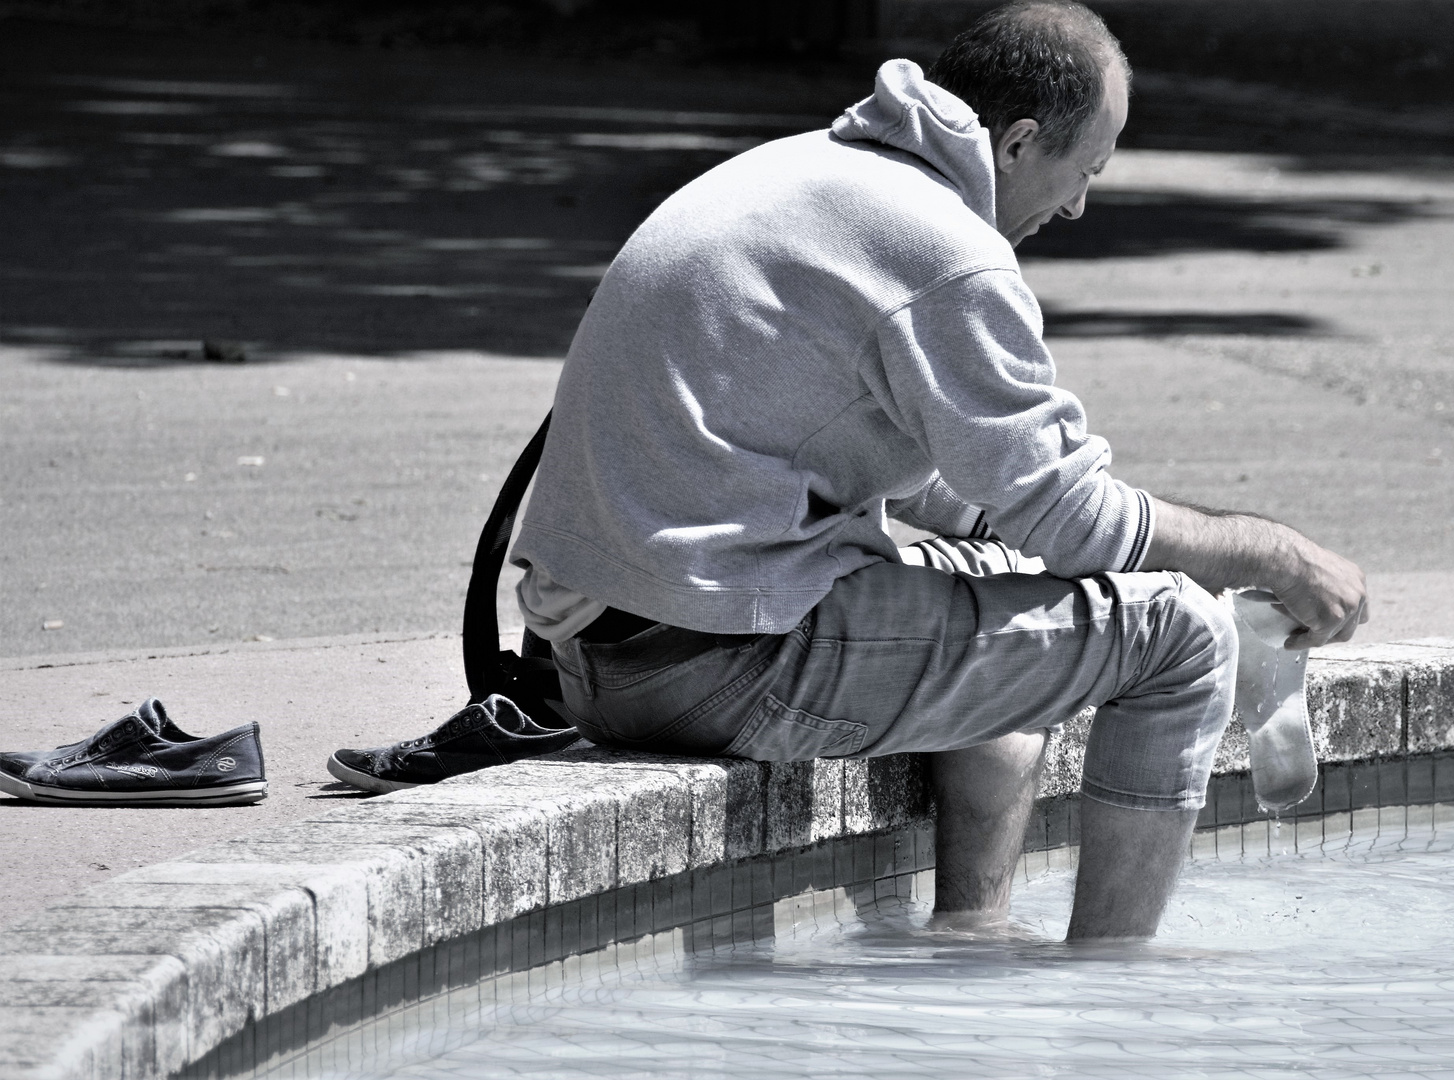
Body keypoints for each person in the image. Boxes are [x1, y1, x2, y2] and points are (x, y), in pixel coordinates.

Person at [351, 1, 1366, 941]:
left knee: (1011, 585)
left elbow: (943, 485)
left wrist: (1028, 555)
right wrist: (1271, 553)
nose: (1081, 207)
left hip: (589, 654)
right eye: (1087, 170)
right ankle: (1109, 999)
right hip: (710, 670)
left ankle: (969, 936)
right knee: (1179, 639)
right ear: (1018, 143)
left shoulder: (806, 174)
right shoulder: (946, 253)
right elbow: (1074, 518)